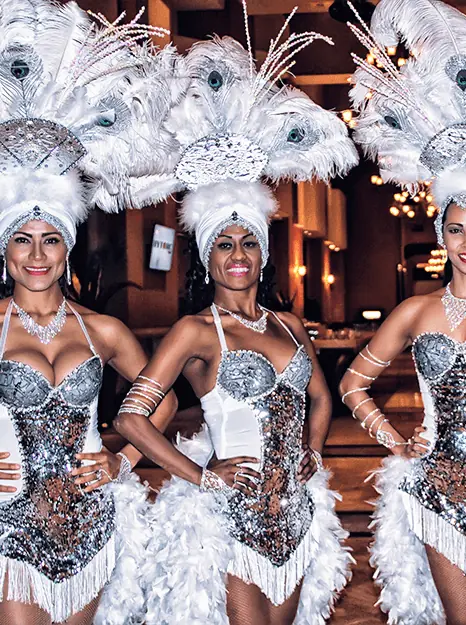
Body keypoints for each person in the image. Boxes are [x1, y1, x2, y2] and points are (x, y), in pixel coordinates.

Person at [112, 7, 359, 623]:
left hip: (296, 512)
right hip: (229, 518)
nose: (238, 254)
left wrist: (312, 451)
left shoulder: (288, 324)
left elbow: (320, 399)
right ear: (206, 257)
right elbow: (132, 419)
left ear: (264, 251)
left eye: (248, 241)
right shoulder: (195, 331)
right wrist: (202, 475)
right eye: (223, 243)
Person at [0, 2, 179, 623]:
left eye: (51, 240)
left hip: (92, 518)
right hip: (8, 522)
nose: (37, 255)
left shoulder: (103, 330)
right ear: (5, 250)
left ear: (68, 248)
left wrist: (123, 459)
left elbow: (162, 401)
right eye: (23, 240)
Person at [342, 0, 466, 623]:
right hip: (436, 491)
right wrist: (392, 439)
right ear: (441, 235)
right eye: (456, 229)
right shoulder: (414, 311)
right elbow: (352, 384)